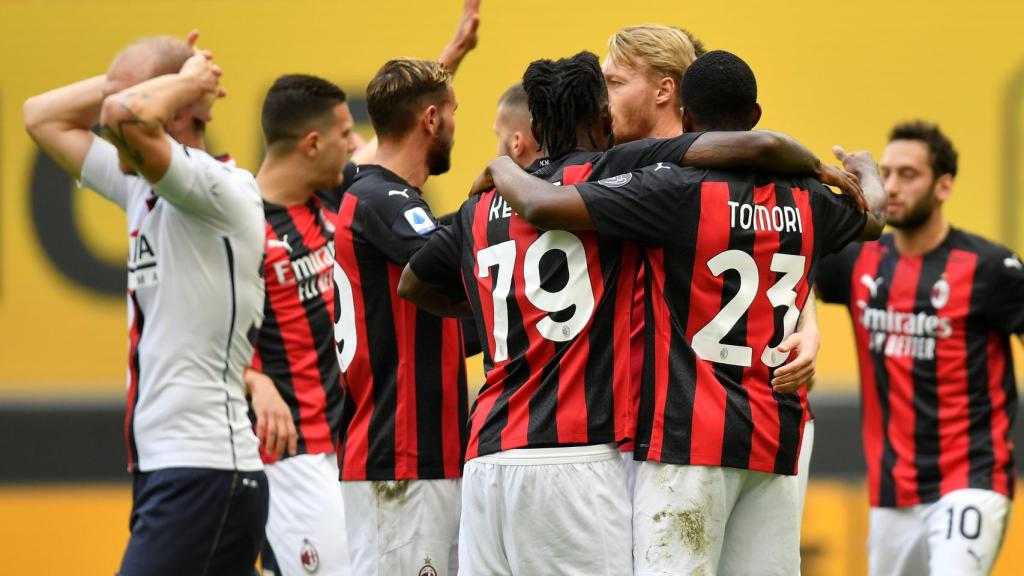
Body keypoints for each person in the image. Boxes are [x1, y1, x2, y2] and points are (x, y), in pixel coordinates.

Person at [399, 50, 866, 575]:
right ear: (601, 117)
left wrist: (487, 311)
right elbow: (763, 153)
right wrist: (824, 166)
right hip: (581, 452)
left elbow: (412, 283)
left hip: (487, 451)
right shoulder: (617, 170)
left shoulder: (477, 208)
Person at [23, 33, 269, 575]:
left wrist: (181, 82)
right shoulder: (141, 184)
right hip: (176, 469)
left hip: (203, 469)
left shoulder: (219, 188)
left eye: (131, 99)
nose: (107, 123)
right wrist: (141, 82)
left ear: (175, 109)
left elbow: (123, 116)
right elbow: (40, 116)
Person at [603, 25, 823, 500]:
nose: (604, 99)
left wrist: (810, 323)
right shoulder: (614, 167)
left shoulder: (690, 183)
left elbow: (778, 258)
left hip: (701, 426)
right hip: (637, 419)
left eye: (615, 83)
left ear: (667, 93)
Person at [816, 121, 1022, 575]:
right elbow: (793, 275)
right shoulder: (855, 259)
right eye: (886, 173)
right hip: (891, 490)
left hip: (971, 479)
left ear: (943, 186)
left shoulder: (990, 268)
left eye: (908, 175)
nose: (891, 187)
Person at [332, 57, 467, 576]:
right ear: (431, 119)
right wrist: (498, 204)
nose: (454, 126)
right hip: (401, 453)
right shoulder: (383, 200)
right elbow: (451, 263)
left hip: (419, 455)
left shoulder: (380, 197)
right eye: (452, 112)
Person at [242, 74, 356, 576]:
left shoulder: (326, 201)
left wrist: (444, 66)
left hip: (345, 442)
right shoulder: (240, 223)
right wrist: (254, 379)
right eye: (345, 134)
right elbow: (192, 329)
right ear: (312, 144)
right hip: (290, 450)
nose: (354, 145)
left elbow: (396, 143)